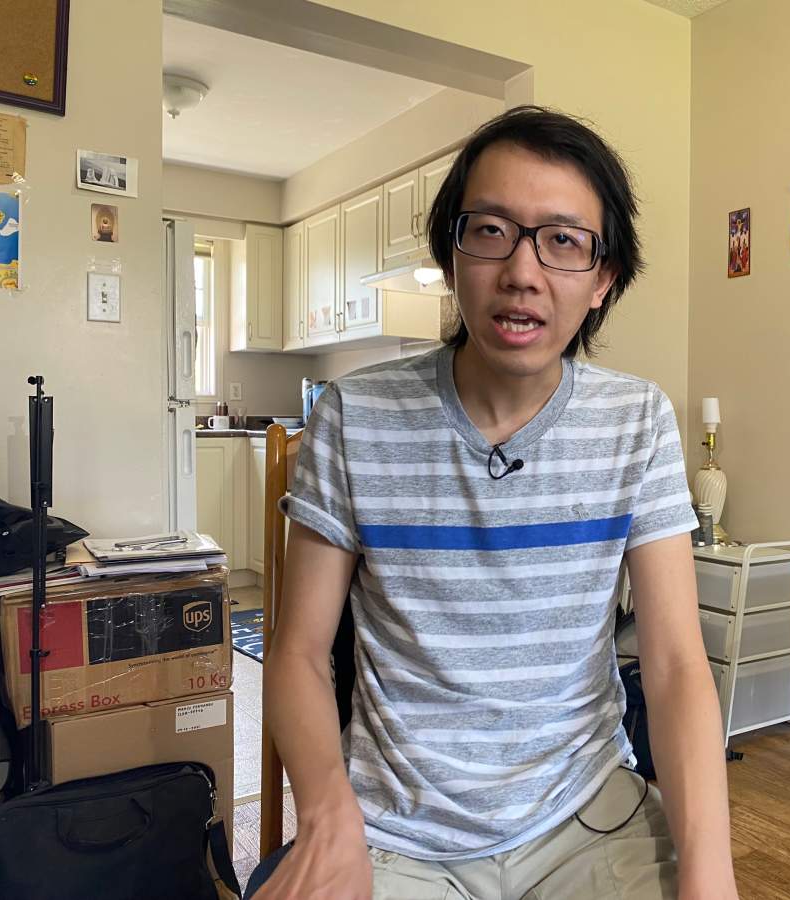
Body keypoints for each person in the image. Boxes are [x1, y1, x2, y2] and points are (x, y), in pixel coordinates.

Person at [250, 106, 738, 900]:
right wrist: (329, 816)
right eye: (491, 231)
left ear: (603, 278)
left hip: (586, 814)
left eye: (563, 240)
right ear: (452, 254)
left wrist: (711, 877)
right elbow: (299, 652)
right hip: (399, 834)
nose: (522, 271)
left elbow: (677, 665)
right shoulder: (354, 416)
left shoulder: (636, 420)